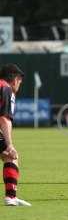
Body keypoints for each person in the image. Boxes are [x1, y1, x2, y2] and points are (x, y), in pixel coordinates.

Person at [0, 64, 31, 206]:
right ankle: (11, 197)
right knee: (11, 156)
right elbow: (4, 119)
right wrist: (10, 144)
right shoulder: (6, 89)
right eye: (19, 79)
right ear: (13, 79)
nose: (21, 82)